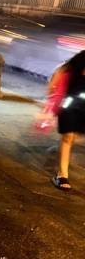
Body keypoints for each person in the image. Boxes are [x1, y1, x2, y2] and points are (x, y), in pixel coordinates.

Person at [50, 50, 85, 190]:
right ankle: (61, 175)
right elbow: (61, 71)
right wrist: (52, 92)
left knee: (75, 136)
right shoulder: (82, 57)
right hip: (70, 103)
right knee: (68, 136)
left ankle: (61, 148)